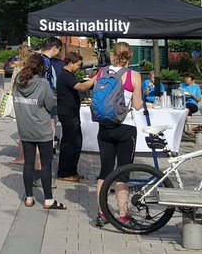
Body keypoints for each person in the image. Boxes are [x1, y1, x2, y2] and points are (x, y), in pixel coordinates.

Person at [89, 42, 144, 228]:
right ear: (130, 56)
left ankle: (102, 212)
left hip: (104, 127)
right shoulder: (134, 76)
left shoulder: (101, 73)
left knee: (104, 171)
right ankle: (123, 215)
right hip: (125, 127)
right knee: (123, 172)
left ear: (113, 54)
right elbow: (137, 106)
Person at [12, 55, 62, 209]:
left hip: (24, 128)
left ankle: (28, 197)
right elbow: (50, 104)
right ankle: (48, 200)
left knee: (28, 163)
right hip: (42, 129)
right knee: (46, 165)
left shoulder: (18, 82)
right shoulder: (43, 83)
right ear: (42, 68)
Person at [55, 51, 93, 181]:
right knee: (69, 142)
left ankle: (72, 169)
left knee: (76, 142)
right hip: (67, 112)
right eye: (78, 65)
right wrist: (95, 78)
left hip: (72, 112)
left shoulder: (69, 75)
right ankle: (64, 172)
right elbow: (81, 87)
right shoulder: (66, 75)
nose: (79, 68)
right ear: (70, 63)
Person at [8, 44, 34, 166]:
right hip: (33, 103)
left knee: (22, 132)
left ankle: (22, 157)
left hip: (20, 103)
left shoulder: (18, 69)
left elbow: (12, 86)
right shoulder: (34, 70)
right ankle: (32, 156)